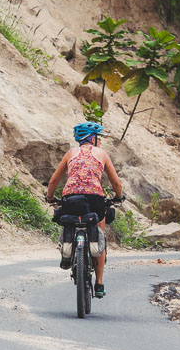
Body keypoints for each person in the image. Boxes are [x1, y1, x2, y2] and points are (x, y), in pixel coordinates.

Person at [45, 121, 124, 297]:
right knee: (99, 231)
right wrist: (119, 197)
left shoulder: (70, 154)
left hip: (70, 197)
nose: (100, 142)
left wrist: (50, 197)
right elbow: (116, 182)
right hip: (95, 198)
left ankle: (67, 253)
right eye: (99, 138)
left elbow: (53, 181)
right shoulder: (101, 154)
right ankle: (100, 283)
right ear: (93, 138)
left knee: (69, 221)